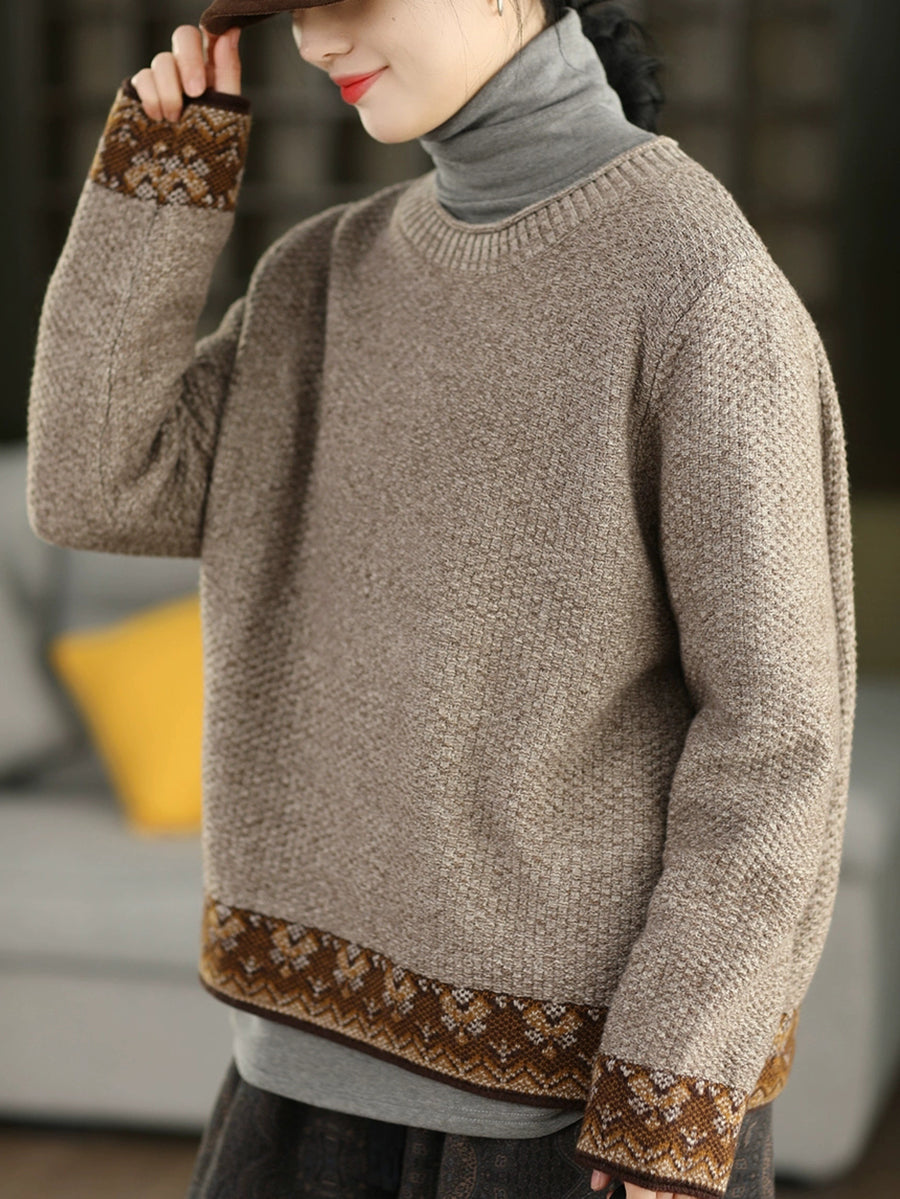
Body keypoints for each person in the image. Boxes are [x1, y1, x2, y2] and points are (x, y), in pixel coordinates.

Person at [25, 0, 856, 1197]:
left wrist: (669, 1100)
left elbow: (777, 733)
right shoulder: (319, 275)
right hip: (290, 1087)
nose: (315, 42)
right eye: (294, 10)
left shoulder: (697, 284)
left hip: (572, 1128)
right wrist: (161, 180)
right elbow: (95, 484)